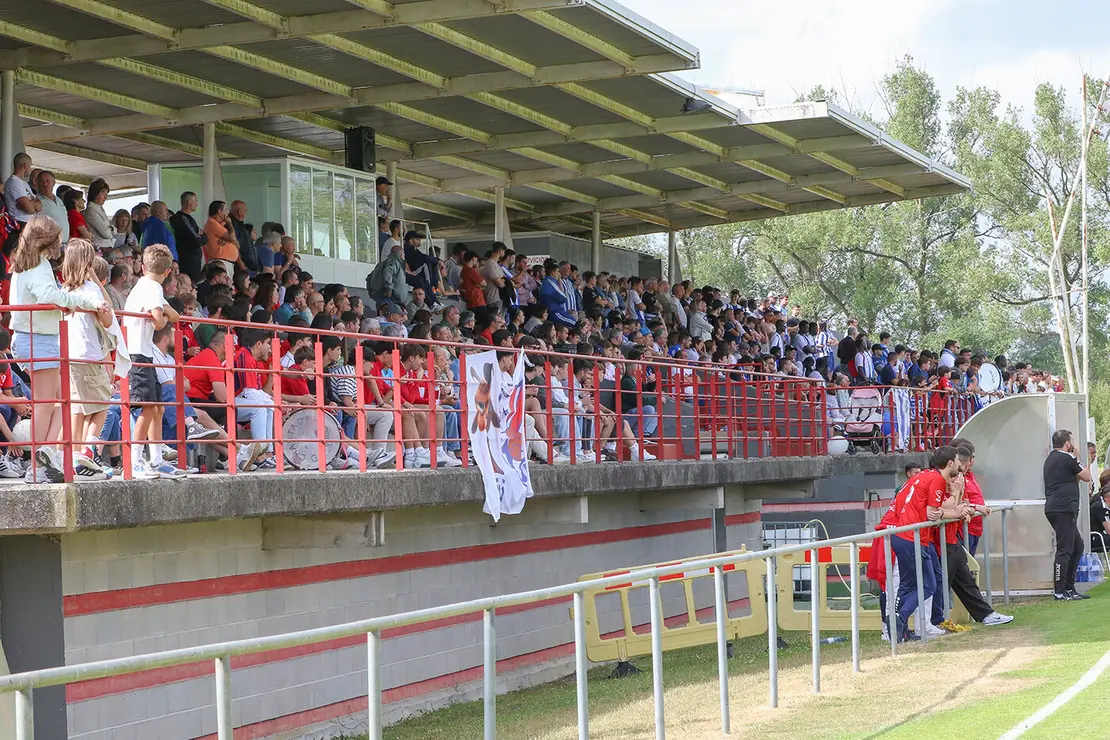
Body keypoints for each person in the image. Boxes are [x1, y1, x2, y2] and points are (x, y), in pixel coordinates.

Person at [9, 216, 109, 482]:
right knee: (47, 403)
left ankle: (46, 454)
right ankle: (36, 465)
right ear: (47, 239)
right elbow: (48, 296)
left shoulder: (24, 265)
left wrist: (71, 302)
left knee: (57, 402)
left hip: (36, 337)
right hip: (37, 338)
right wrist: (75, 303)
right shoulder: (38, 266)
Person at [889, 446, 964, 642]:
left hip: (900, 534)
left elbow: (932, 509)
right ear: (950, 463)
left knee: (907, 584)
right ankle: (900, 617)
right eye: (957, 460)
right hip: (912, 537)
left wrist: (947, 509)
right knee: (929, 585)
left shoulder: (923, 476)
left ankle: (899, 629)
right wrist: (953, 511)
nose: (959, 464)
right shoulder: (937, 479)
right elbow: (932, 513)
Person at [123, 243, 185, 479]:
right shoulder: (152, 288)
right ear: (168, 271)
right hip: (137, 353)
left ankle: (157, 460)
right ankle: (136, 460)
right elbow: (160, 322)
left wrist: (165, 314)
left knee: (157, 408)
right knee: (148, 408)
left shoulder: (145, 285)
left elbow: (174, 316)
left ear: (142, 265)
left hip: (143, 353)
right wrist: (162, 315)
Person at [61, 242, 116, 480]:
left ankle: (73, 457)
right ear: (88, 263)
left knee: (78, 410)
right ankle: (87, 451)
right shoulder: (91, 289)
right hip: (89, 355)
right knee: (103, 404)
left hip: (69, 355)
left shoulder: (64, 290)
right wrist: (94, 277)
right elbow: (107, 316)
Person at [1044, 429, 1093, 600]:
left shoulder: (1051, 459)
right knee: (1065, 548)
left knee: (1077, 546)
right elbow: (1086, 476)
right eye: (1071, 441)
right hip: (1063, 508)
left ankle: (1069, 588)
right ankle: (1059, 591)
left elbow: (1075, 478)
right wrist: (1079, 457)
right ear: (1067, 443)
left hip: (1057, 508)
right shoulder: (1068, 457)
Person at [170, 191, 205, 281]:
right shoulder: (182, 218)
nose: (197, 204)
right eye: (196, 201)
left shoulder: (190, 219)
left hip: (194, 260)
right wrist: (201, 237)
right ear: (189, 202)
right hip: (188, 260)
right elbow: (197, 240)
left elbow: (205, 236)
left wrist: (202, 237)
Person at [202, 201, 241, 277]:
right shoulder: (212, 223)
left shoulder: (220, 225)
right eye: (225, 210)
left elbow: (237, 244)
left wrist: (229, 240)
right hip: (220, 263)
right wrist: (229, 223)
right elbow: (232, 237)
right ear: (220, 212)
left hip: (226, 263)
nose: (227, 213)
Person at [4, 152, 40, 224]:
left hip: (29, 224)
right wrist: (31, 204)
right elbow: (29, 209)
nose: (30, 170)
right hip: (20, 225)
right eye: (30, 166)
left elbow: (40, 206)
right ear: (26, 166)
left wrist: (30, 203)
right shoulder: (14, 182)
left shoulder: (24, 183)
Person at [35, 171, 69, 245]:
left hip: (64, 245)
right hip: (49, 246)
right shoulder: (36, 201)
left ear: (54, 183)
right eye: (42, 181)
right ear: (37, 184)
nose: (45, 184)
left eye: (47, 181)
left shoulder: (59, 200)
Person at [83, 179, 115, 253]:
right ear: (95, 194)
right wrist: (112, 229)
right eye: (103, 194)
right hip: (99, 248)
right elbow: (106, 234)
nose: (105, 197)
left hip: (106, 247)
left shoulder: (100, 209)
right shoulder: (91, 211)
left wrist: (111, 228)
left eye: (106, 195)